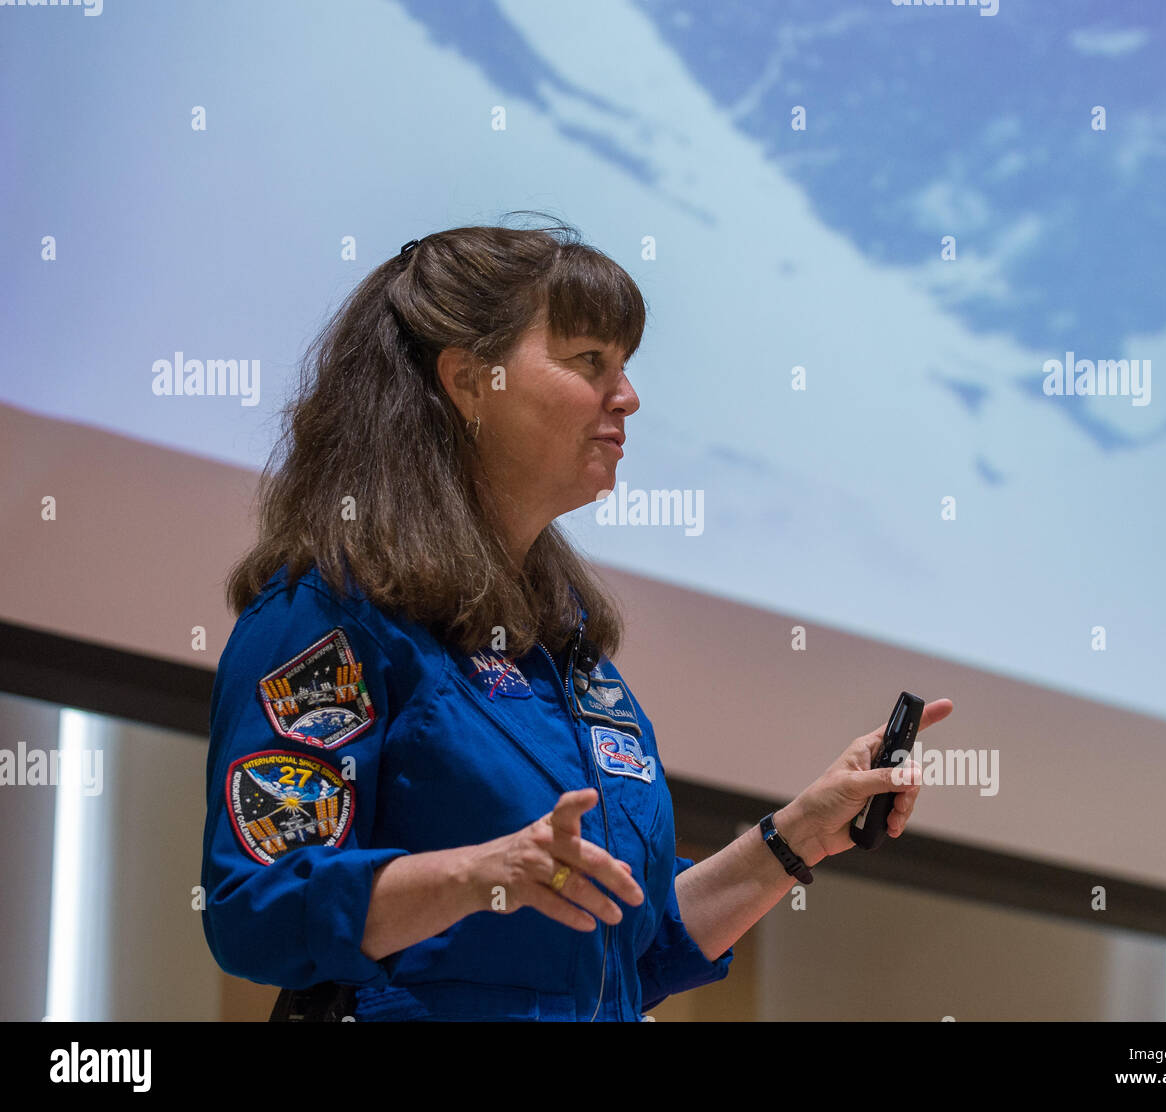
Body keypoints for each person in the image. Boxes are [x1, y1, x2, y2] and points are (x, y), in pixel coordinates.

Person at [200, 213, 953, 1021]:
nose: (627, 397)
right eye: (590, 361)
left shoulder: (569, 658)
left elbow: (630, 952)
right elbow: (259, 912)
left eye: (623, 366)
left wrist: (797, 835)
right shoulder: (327, 619)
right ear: (467, 383)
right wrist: (476, 875)